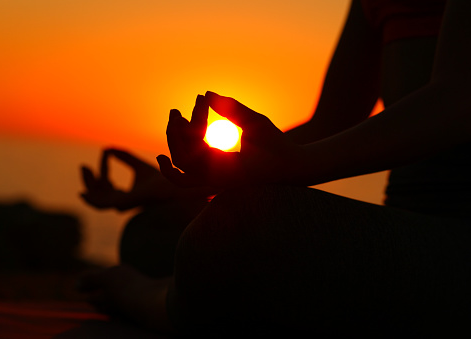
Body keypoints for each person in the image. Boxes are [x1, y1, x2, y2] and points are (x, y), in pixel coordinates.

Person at [79, 0, 471, 337]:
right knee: (152, 232)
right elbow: (332, 120)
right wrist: (184, 185)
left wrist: (299, 166)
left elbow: (457, 100)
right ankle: (198, 290)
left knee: (239, 233)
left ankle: (150, 298)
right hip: (408, 228)